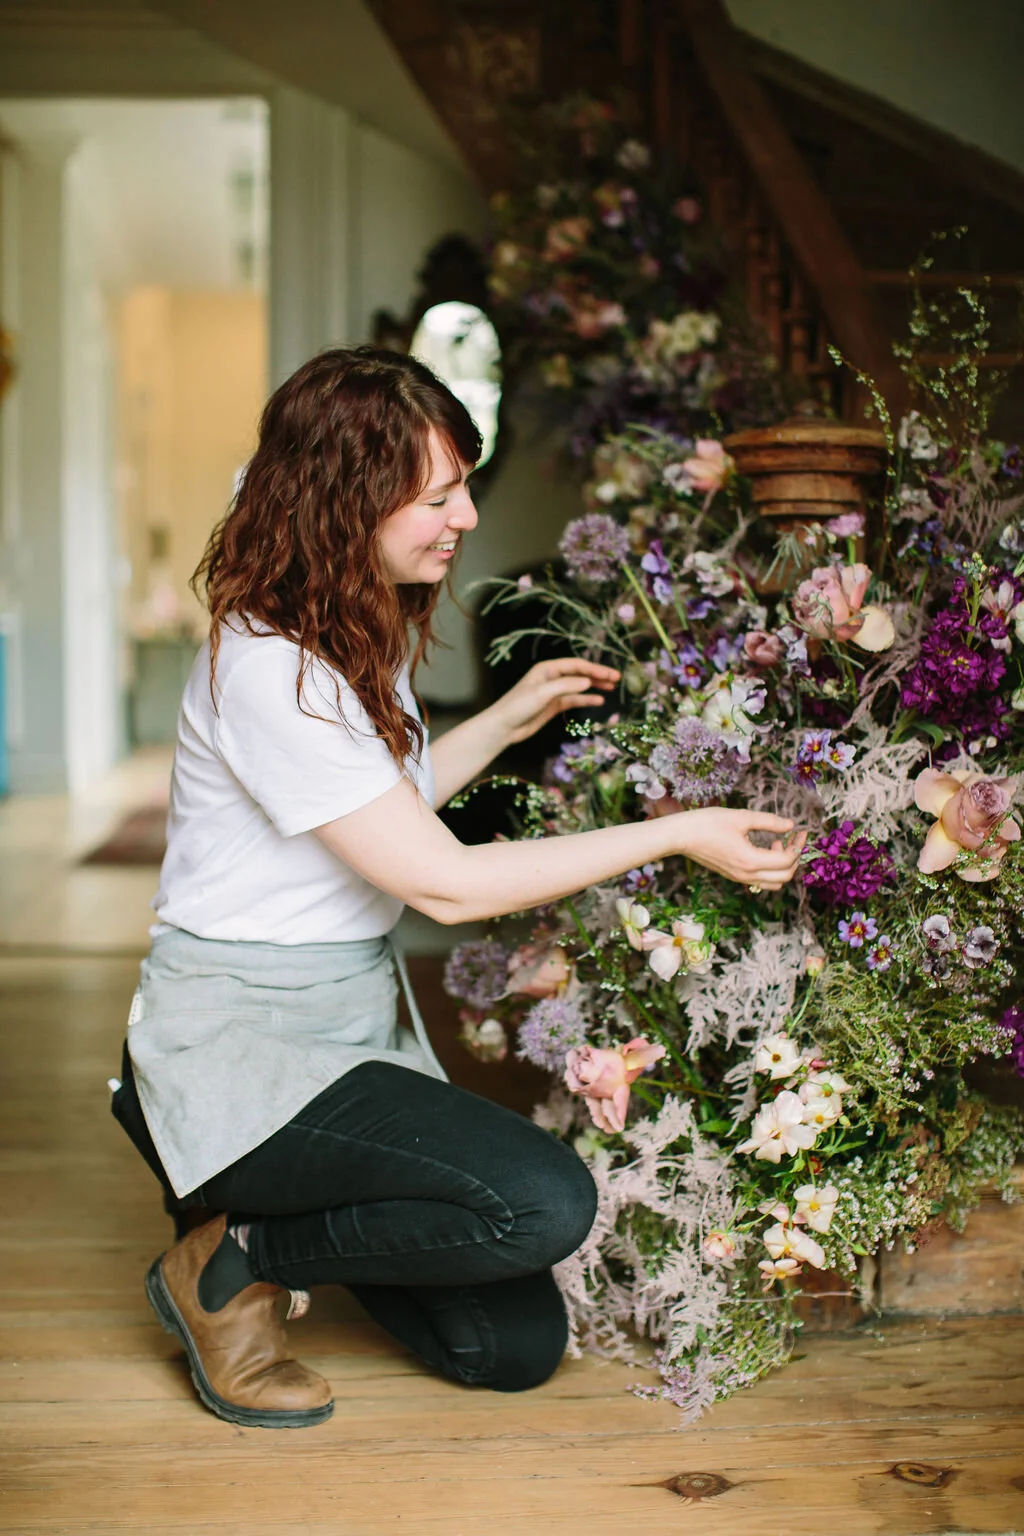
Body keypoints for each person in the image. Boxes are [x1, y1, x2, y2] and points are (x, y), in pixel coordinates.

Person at [111, 346, 804, 1430]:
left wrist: (506, 718)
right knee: (543, 1200)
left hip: (344, 1028)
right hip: (239, 1046)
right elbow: (439, 884)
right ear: (345, 504)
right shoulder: (266, 665)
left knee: (510, 1348)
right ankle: (233, 1256)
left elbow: (368, 811)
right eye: (438, 495)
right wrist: (679, 836)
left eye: (461, 486)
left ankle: (269, 1229)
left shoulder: (345, 621)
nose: (467, 516)